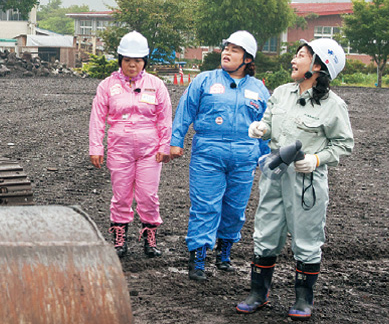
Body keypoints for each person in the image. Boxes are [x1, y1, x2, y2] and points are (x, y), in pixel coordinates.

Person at [236, 39, 353, 320]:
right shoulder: (281, 93)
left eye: (301, 56)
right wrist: (261, 128)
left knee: (307, 237)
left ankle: (303, 300)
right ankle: (258, 294)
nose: (293, 60)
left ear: (317, 65)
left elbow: (344, 144)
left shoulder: (333, 105)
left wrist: (315, 160)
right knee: (266, 230)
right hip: (275, 171)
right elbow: (269, 122)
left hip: (306, 180)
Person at [170, 30, 270, 281]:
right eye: (226, 48)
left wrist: (268, 157)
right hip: (208, 154)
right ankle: (199, 256)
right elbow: (185, 110)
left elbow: (269, 125)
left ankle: (224, 252)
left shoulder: (259, 89)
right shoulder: (204, 80)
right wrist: (175, 141)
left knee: (235, 209)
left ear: (248, 58)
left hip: (245, 156)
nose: (227, 53)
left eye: (235, 50)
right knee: (205, 206)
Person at [89, 31, 172, 258]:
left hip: (149, 151)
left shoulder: (156, 85)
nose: (132, 65)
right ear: (120, 60)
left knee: (148, 195)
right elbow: (97, 118)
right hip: (119, 147)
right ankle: (119, 238)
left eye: (137, 60)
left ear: (145, 60)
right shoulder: (107, 86)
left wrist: (165, 146)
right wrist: (96, 147)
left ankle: (150, 237)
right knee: (121, 194)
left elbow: (164, 117)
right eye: (127, 60)